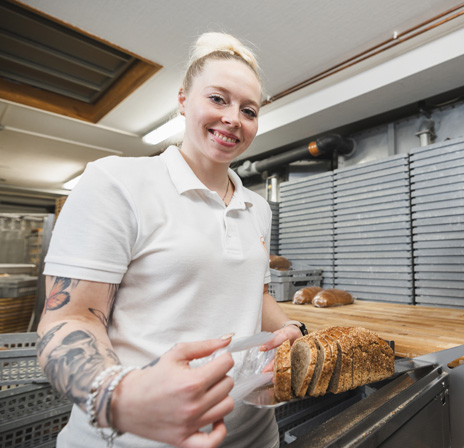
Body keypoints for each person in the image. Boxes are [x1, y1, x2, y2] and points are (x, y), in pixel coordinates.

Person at [36, 32, 304, 448]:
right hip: (130, 439)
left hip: (253, 437)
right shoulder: (116, 182)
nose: (233, 117)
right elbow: (70, 318)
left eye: (248, 110)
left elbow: (257, 293)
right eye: (218, 99)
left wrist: (290, 329)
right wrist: (119, 397)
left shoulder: (258, 207)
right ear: (182, 99)